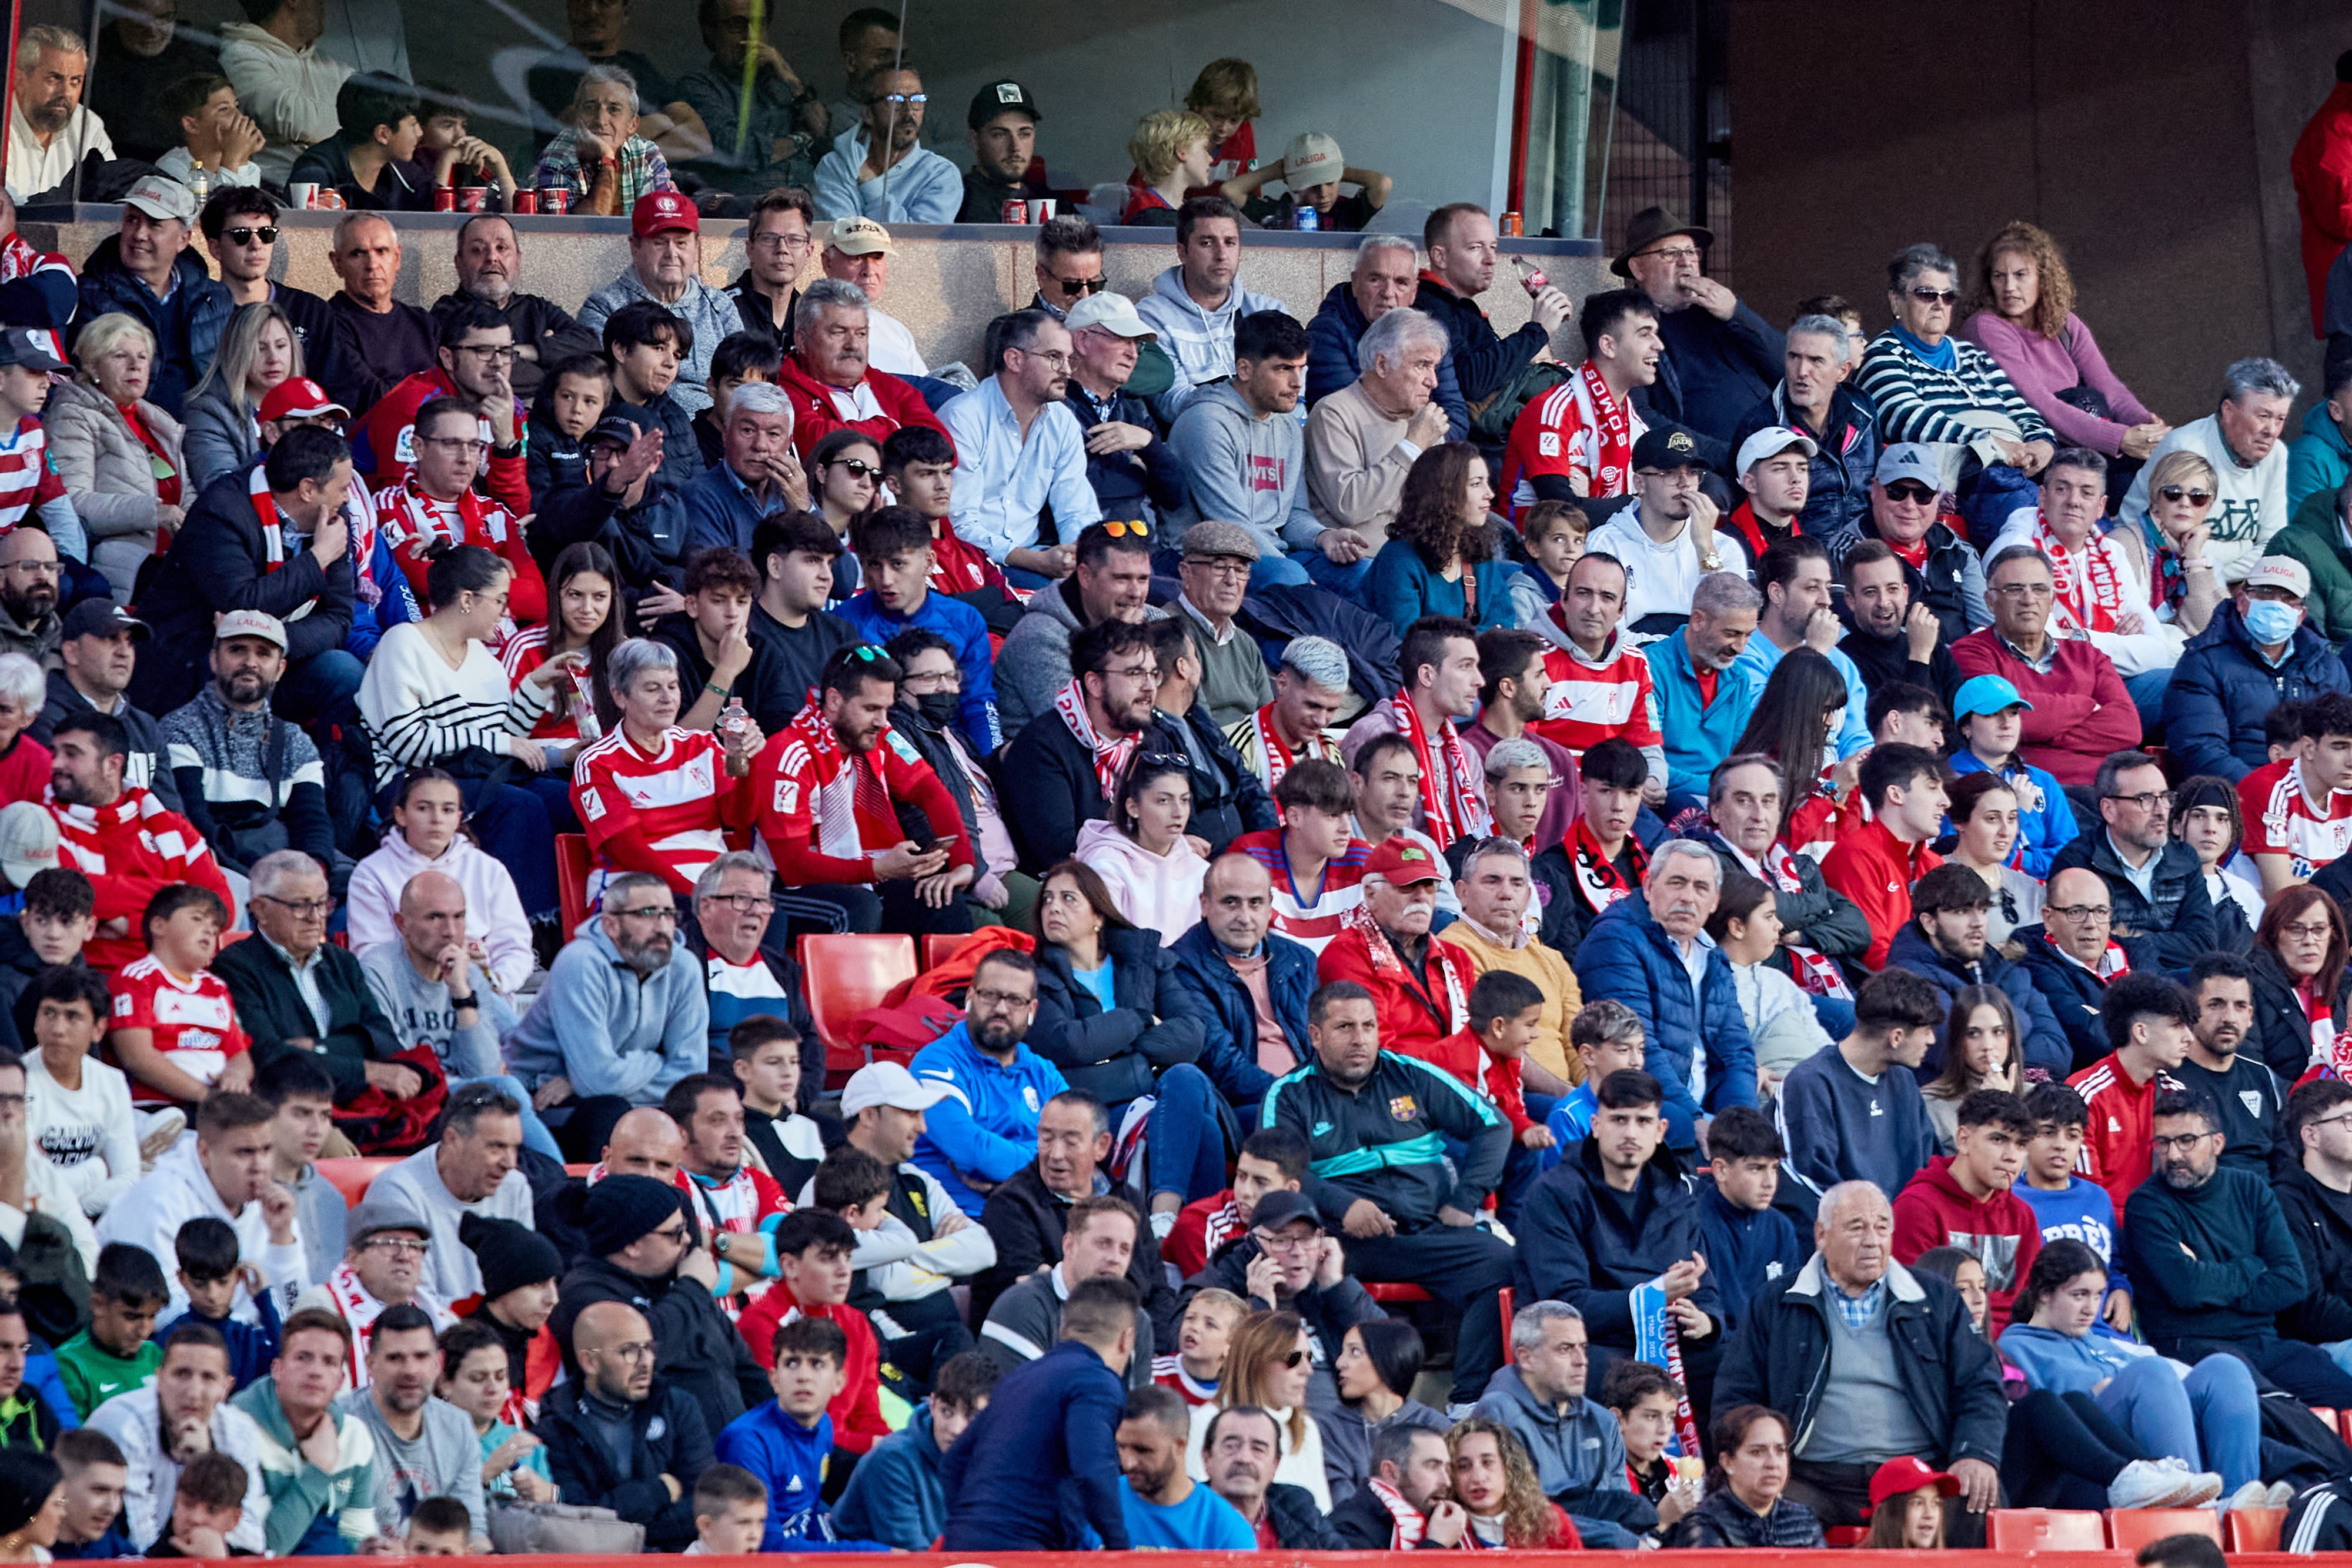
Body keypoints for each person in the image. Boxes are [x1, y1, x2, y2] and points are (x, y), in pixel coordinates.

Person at [1261, 979, 1515, 1407]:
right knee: (1303, 1268)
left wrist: (1465, 1200)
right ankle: (1338, 1404)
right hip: (1344, 1240)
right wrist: (1344, 1206)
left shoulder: (1411, 1073)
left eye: (1369, 1026)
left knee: (1502, 1264)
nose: (1360, 1039)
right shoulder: (1289, 1094)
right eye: (1345, 1027)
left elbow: (1494, 1125)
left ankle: (1468, 1402)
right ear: (1315, 1035)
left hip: (1427, 1232)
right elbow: (1277, 1169)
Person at [1715, 1179, 2003, 1542]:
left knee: (1978, 1497)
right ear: (1821, 1235)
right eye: (1856, 1228)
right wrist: (1759, 1460)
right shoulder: (1777, 1302)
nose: (1873, 1241)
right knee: (1761, 1516)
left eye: (1882, 1228)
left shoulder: (1934, 1299)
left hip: (1918, 1472)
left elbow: (1981, 1385)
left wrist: (1975, 1453)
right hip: (1811, 1476)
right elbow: (1737, 1395)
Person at [355, 544, 583, 915]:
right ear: (467, 600)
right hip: (412, 781)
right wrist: (501, 741)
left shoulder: (484, 658)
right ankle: (528, 926)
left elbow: (501, 742)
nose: (506, 612)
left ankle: (584, 918)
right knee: (520, 807)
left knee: (573, 799)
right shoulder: (402, 643)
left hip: (477, 775)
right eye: (500, 600)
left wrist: (535, 687)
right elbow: (408, 743)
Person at [1998, 1239, 2266, 1511]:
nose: (2091, 1308)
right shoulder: (2015, 1346)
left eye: (2098, 1295)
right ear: (2045, 1294)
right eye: (2079, 1295)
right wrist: (2096, 1393)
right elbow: (2038, 1420)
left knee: (2224, 1369)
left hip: (2148, 1436)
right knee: (2150, 1372)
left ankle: (2237, 1501)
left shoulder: (2102, 1341)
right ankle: (2189, 1500)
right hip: (2093, 1461)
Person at [2125, 1086, 2352, 1406]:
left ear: (2218, 1143)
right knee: (2274, 1406)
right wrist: (2254, 1265)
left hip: (2264, 1343)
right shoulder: (2147, 1205)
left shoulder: (2250, 1189)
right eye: (2163, 1143)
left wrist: (2208, 1277)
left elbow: (2291, 1283)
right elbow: (2187, 1289)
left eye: (2187, 1140)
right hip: (2193, 1344)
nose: (2173, 1155)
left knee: (2344, 1394)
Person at [128, 424, 360, 726]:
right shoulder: (221, 511)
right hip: (196, 655)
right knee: (239, 670)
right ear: (307, 490)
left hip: (279, 656)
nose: (348, 498)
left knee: (343, 672)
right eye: (343, 488)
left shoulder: (332, 518)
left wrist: (275, 644)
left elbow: (339, 616)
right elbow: (242, 603)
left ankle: (330, 759)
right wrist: (318, 559)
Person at [1516, 1071, 1722, 1409]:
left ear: (1660, 1131)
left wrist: (1706, 1321)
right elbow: (1564, 1304)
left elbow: (1706, 1288)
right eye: (1619, 1119)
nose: (1630, 1133)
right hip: (1590, 1345)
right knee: (1613, 1375)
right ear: (1596, 1126)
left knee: (1736, 1365)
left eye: (1643, 1121)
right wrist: (1652, 1297)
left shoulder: (1676, 1195)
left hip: (1668, 1345)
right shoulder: (1554, 1194)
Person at [1853, 242, 2053, 546]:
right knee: (2005, 485)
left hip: (2015, 458)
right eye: (1926, 294)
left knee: (2075, 478)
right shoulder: (1883, 354)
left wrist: (2042, 442)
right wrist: (1990, 443)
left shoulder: (1973, 356)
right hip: (1966, 469)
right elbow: (1906, 417)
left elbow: (2020, 409)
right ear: (1896, 301)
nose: (1939, 304)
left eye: (1947, 297)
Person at [1571, 837, 1756, 1152]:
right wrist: (1695, 1119)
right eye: (1677, 883)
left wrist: (1739, 1122)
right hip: (1649, 1108)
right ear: (1648, 886)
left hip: (1707, 1108)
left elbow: (1735, 1048)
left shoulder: (1711, 952)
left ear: (1715, 901)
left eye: (1701, 888)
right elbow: (1639, 1049)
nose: (1688, 897)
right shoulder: (1615, 940)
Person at [506, 872, 707, 1156]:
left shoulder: (683, 966)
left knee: (710, 1109)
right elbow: (597, 1082)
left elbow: (690, 1077)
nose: (662, 927)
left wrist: (580, 1082)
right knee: (612, 1115)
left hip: (592, 1091)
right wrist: (655, 1060)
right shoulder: (580, 963)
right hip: (541, 1101)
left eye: (668, 914)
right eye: (647, 914)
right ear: (611, 924)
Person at [941, 1275, 1136, 1550]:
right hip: (1026, 1549)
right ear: (1127, 1339)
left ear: (1062, 1327)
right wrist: (1120, 1548)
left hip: (962, 1547)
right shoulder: (1096, 1381)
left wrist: (971, 1525)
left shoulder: (1018, 1379)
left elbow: (953, 1462)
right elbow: (1092, 1471)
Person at [1961, 221, 2168, 464]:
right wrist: (2120, 438)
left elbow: (2109, 388)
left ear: (2043, 278)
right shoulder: (1985, 327)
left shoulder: (2065, 324)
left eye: (2020, 275)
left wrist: (2147, 428)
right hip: (2035, 446)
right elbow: (2038, 404)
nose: (2009, 287)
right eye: (1999, 276)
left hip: (2088, 436)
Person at [1953, 545, 2141, 785]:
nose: (2029, 600)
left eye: (2039, 589)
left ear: (2052, 601)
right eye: (2015, 589)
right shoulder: (1972, 652)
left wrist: (2042, 734)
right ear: (1990, 602)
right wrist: (2085, 705)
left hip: (2107, 791)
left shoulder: (2088, 655)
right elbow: (2006, 723)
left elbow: (2128, 727)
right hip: (2029, 791)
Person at [536, 1300, 711, 1550]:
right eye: (629, 1351)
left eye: (649, 1348)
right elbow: (579, 1520)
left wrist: (630, 1528)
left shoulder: (678, 1406)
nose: (645, 1362)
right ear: (590, 1362)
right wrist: (659, 1492)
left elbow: (705, 1503)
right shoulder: (557, 1427)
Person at [938, 313, 1100, 576]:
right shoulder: (963, 417)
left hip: (1036, 557)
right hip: (968, 563)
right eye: (1054, 357)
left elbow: (1077, 510)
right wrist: (1035, 561)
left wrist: (1077, 556)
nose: (1067, 370)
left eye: (1069, 359)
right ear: (1014, 360)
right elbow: (958, 524)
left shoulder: (1062, 421)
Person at [345, 769, 531, 998]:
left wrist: (494, 981)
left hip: (483, 993)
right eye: (423, 808)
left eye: (448, 810)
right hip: (407, 998)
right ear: (401, 815)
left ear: (459, 818)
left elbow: (514, 947)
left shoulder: (488, 869)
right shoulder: (372, 873)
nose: (437, 819)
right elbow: (372, 954)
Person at [2167, 556, 2351, 783]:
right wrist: (2268, 792)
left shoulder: (2328, 667)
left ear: (2301, 615)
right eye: (2265, 594)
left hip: (2317, 795)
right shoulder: (2202, 661)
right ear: (2241, 601)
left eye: (2288, 599)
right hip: (2238, 795)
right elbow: (2201, 750)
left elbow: (2344, 743)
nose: (2276, 604)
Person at [2120, 359, 2300, 584]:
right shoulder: (2187, 447)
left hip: (2226, 582)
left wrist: (2211, 571)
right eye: (2263, 416)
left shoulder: (2276, 455)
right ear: (2228, 411)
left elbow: (2272, 548)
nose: (2271, 431)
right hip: (2157, 580)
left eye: (2280, 419)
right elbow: (2172, 548)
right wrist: (2244, 546)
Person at [44, 317, 182, 601]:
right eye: (120, 356)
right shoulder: (73, 416)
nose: (135, 365)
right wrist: (154, 512)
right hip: (123, 567)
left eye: (142, 356)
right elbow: (72, 502)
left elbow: (186, 493)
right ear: (93, 367)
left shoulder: (158, 421)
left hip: (176, 560)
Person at [69, 178, 227, 423]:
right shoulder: (90, 294)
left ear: (184, 239)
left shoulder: (214, 298)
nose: (139, 234)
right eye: (132, 220)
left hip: (207, 428)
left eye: (154, 224)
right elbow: (86, 376)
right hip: (123, 428)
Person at [1889, 867, 2070, 1079]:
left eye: (1983, 910)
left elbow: (2058, 1053)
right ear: (1929, 923)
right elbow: (1960, 1053)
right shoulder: (1906, 978)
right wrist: (2022, 1021)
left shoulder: (2007, 970)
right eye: (1962, 912)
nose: (1978, 923)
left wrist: (1991, 1040)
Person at [226, 1309, 380, 1553]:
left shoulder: (355, 1435)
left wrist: (372, 1550)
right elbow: (264, 1549)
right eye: (303, 1358)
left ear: (340, 1381)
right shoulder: (235, 1429)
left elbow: (357, 1534)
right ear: (277, 1369)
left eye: (329, 1362)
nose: (316, 1371)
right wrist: (319, 1471)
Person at [579, 193, 743, 418]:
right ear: (635, 247)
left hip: (715, 430)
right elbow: (599, 388)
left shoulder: (720, 305)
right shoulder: (604, 307)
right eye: (659, 243)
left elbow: (744, 383)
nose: (671, 254)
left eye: (681, 243)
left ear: (697, 248)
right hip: (639, 427)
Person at [331, 1305, 483, 1542]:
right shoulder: (338, 1422)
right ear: (370, 1364)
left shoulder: (458, 1426)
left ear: (438, 1363)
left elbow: (473, 1529)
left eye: (421, 1357)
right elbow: (332, 1529)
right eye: (395, 1358)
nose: (410, 1370)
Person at [1133, 197, 1285, 420]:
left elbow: (1293, 390)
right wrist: (1255, 400)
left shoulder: (1268, 312)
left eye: (1230, 243)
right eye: (1207, 243)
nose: (1221, 255)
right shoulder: (1152, 317)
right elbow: (1171, 403)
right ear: (1182, 252)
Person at [832, 1350, 996, 1551]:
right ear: (933, 1404)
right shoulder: (892, 1460)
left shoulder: (999, 1463)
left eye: (972, 1417)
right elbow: (913, 1558)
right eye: (947, 1412)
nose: (956, 1428)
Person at [1414, 202, 1571, 410]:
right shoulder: (1429, 308)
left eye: (1493, 247)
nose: (1490, 259)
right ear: (1440, 257)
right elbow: (1471, 383)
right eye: (1475, 248)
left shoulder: (1459, 307)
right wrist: (1536, 331)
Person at [1172, 1312, 1331, 1514]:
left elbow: (1323, 1513)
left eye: (1308, 1357)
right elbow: (1195, 1512)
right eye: (1294, 1358)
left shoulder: (1306, 1428)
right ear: (1257, 1362)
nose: (1307, 1370)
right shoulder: (1202, 1424)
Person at [1308, 235, 1468, 436]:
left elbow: (1455, 419)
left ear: (1414, 292)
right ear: (1355, 283)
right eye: (1376, 280)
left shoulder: (1428, 334)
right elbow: (1344, 420)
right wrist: (1417, 438)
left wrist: (1425, 447)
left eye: (1401, 282)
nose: (1388, 292)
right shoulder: (1326, 332)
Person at [773, 279, 949, 461]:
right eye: (839, 332)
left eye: (861, 334)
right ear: (802, 341)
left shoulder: (893, 388)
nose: (853, 345)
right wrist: (893, 428)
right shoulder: (782, 395)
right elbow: (820, 443)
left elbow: (942, 448)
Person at [2069, 974, 2199, 1218]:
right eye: (2176, 1026)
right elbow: (2086, 1198)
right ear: (2141, 1032)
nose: (2189, 1038)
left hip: (2164, 1227)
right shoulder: (2085, 1096)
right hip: (2105, 1230)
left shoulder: (2177, 1095)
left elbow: (2195, 1186)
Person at [1060, 290, 1187, 533]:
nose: (1133, 354)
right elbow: (1076, 490)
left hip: (1143, 545)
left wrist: (1149, 445)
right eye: (1122, 339)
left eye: (1136, 343)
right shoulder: (1054, 407)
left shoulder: (1134, 411)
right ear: (1082, 341)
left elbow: (1176, 497)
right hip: (1081, 545)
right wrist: (1137, 473)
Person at [1819, 743, 1950, 969]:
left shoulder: (1935, 864)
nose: (1945, 802)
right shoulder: (1855, 856)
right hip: (1886, 986)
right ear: (1896, 795)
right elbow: (1874, 956)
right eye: (1932, 788)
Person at [1641, 573, 1764, 809]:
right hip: (1666, 799)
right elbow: (1647, 760)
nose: (1740, 648)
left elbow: (1737, 758)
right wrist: (1720, 789)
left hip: (1720, 798)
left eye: (1748, 635)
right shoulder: (1650, 668)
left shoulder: (1739, 677)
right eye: (1731, 634)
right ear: (1698, 620)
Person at [320, 214, 440, 414]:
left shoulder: (424, 323)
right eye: (358, 254)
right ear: (337, 263)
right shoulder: (328, 323)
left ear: (397, 257)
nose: (372, 265)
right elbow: (372, 397)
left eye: (382, 251)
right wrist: (431, 390)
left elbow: (454, 389)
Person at [1658, 1405, 1824, 1548]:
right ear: (1727, 1462)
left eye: (1780, 1451)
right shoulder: (1704, 1524)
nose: (1773, 1464)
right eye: (1757, 1452)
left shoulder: (1803, 1520)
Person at [812, 65, 958, 225]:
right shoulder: (837, 166)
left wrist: (871, 186)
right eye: (895, 100)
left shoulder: (940, 174)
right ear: (868, 114)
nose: (909, 112)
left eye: (917, 99)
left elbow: (920, 239)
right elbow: (844, 236)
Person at [530, 68, 674, 218]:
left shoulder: (645, 154)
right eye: (590, 108)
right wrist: (608, 161)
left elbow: (667, 219)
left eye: (614, 109)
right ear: (577, 118)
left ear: (632, 125)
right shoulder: (559, 157)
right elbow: (585, 226)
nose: (600, 120)